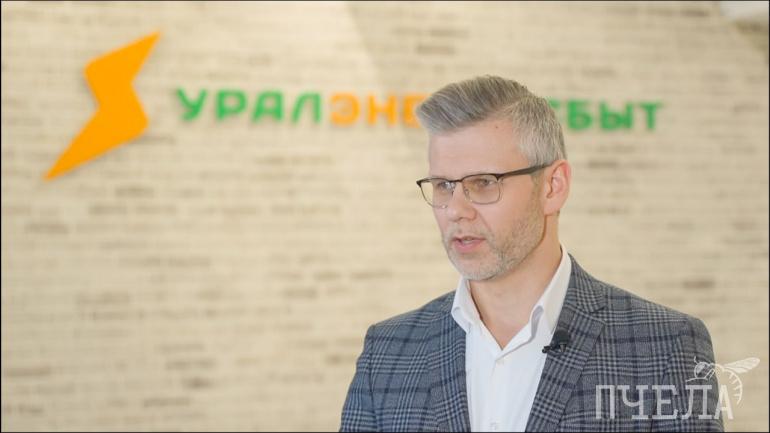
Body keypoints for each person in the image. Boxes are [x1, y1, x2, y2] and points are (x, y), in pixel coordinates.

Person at [340, 75, 722, 432]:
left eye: (483, 183)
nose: (455, 210)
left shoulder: (664, 346)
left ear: (553, 187)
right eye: (443, 185)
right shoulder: (386, 351)